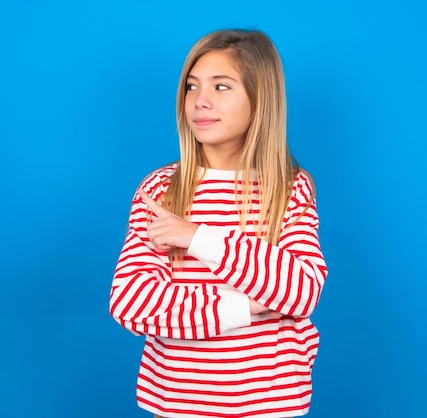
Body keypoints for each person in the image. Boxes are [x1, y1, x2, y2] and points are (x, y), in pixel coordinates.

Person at [109, 28, 328, 418]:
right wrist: (250, 305)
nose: (200, 101)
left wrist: (195, 237)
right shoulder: (161, 190)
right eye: (192, 87)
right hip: (179, 404)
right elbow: (132, 303)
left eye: (221, 87)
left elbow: (302, 292)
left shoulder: (289, 189)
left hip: (271, 404)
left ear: (260, 100)